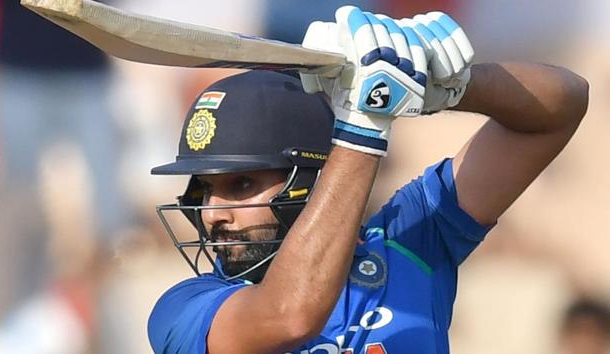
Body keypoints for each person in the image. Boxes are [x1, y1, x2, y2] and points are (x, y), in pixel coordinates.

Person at [147, 6, 588, 354]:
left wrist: (439, 84)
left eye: (242, 185)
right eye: (204, 190)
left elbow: (560, 106)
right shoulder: (185, 310)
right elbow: (290, 315)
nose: (213, 213)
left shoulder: (410, 239)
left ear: (314, 176)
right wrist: (365, 122)